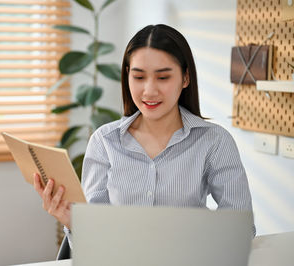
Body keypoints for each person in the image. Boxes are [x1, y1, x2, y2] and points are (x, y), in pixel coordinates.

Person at [33, 24, 255, 246]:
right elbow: (95, 239)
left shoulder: (214, 141)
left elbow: (240, 228)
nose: (149, 90)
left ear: (185, 78)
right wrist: (73, 222)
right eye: (139, 77)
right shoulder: (104, 141)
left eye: (163, 77)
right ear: (127, 76)